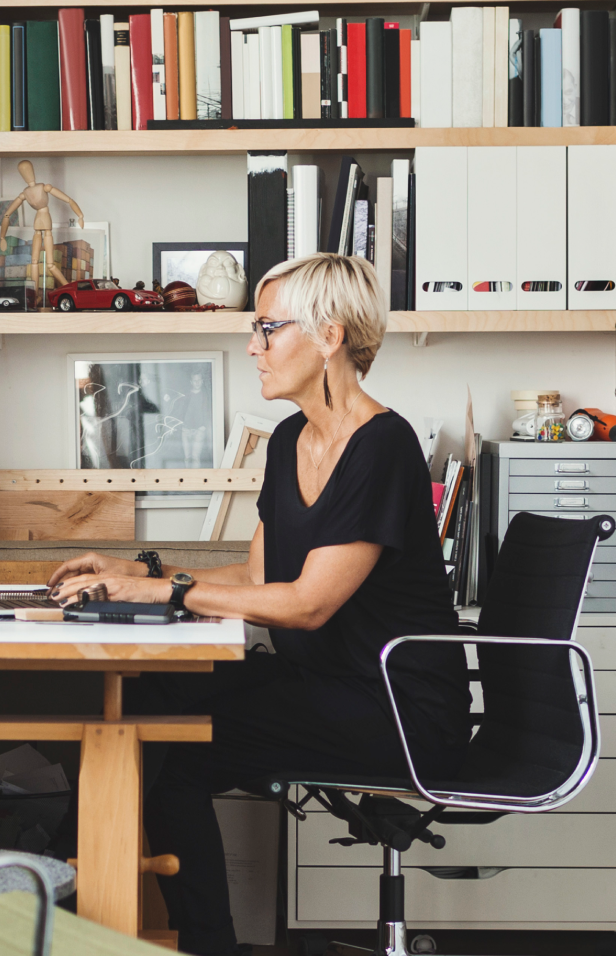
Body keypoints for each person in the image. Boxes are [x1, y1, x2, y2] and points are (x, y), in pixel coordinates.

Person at [48, 254, 470, 955]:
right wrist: (141, 569)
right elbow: (256, 577)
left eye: (268, 329)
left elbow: (306, 605)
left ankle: (65, 898)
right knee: (153, 700)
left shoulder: (383, 446)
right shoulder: (289, 442)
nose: (253, 346)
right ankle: (83, 899)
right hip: (326, 687)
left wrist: (163, 591)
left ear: (329, 336)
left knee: (162, 741)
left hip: (397, 708)